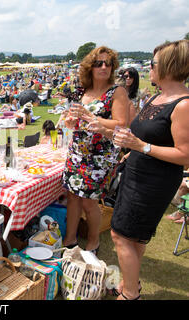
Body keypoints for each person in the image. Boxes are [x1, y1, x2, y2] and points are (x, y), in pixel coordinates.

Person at [101, 40, 189, 300]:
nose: (148, 68)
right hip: (135, 173)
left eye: (153, 63)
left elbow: (185, 155)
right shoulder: (155, 97)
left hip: (155, 182)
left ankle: (129, 294)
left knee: (120, 234)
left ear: (170, 66)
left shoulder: (183, 105)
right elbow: (143, 135)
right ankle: (132, 284)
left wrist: (142, 146)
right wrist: (122, 142)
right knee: (135, 237)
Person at [62, 46, 130, 254]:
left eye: (108, 64)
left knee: (90, 202)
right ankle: (69, 239)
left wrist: (91, 117)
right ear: (90, 67)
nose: (104, 67)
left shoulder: (116, 92)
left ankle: (93, 242)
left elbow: (122, 124)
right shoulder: (83, 89)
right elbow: (72, 119)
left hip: (99, 157)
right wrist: (71, 120)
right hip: (76, 153)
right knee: (72, 197)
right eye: (99, 63)